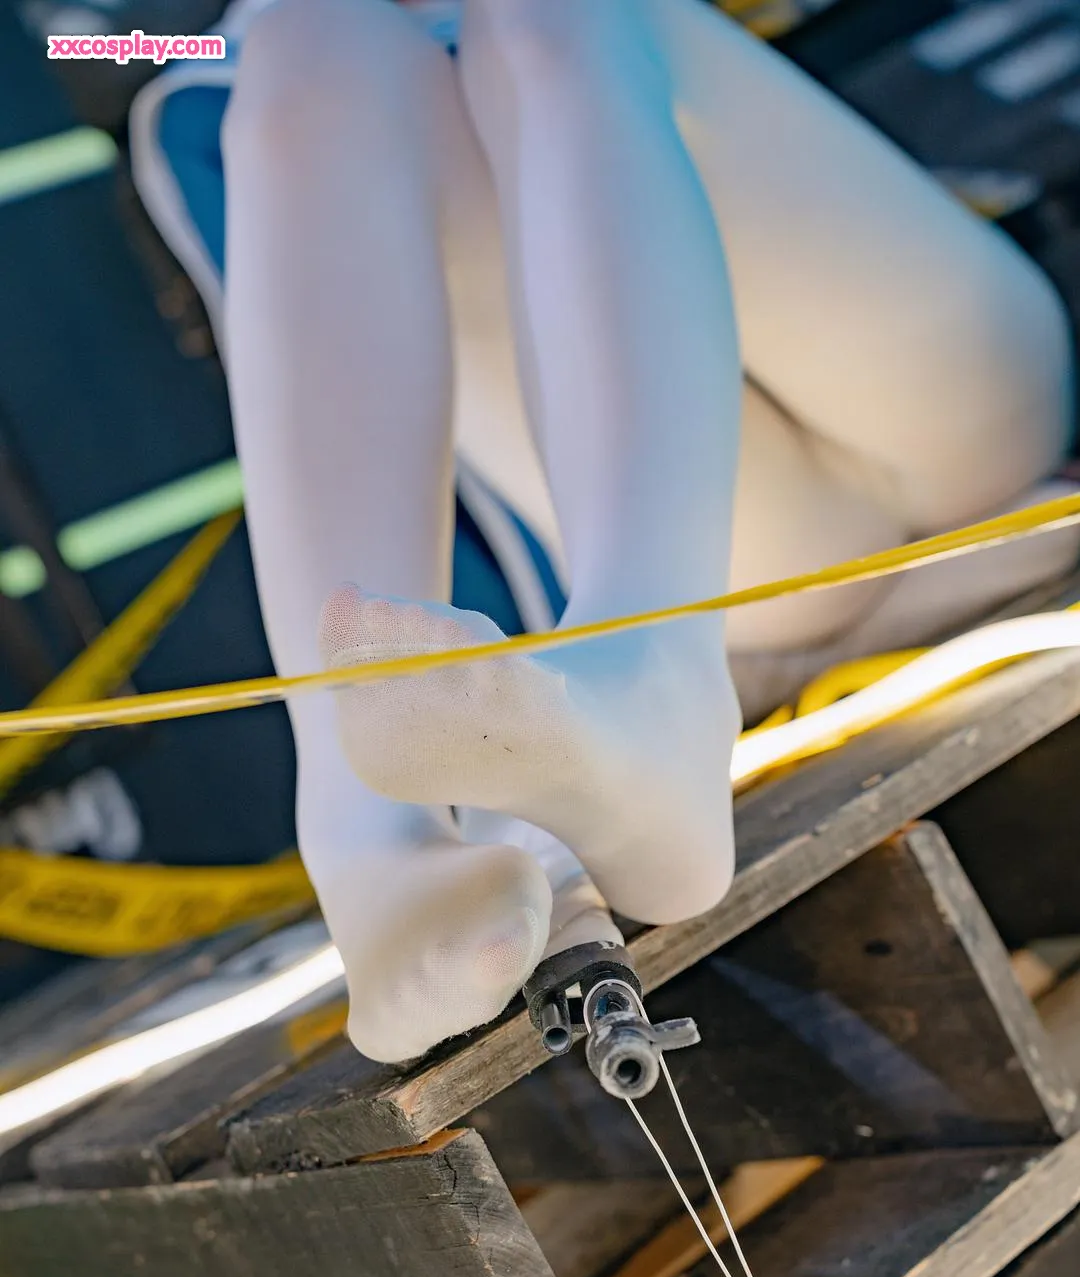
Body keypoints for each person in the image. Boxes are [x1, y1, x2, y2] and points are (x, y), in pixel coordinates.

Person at [152, 0, 1078, 1062]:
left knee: (544, 15)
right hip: (757, 565)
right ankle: (375, 832)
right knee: (302, 55)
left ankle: (650, 670)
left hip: (952, 422)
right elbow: (124, 45)